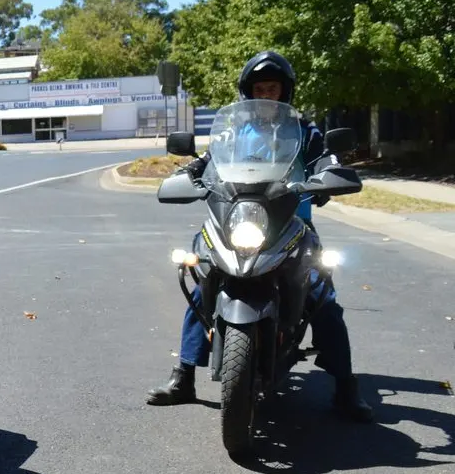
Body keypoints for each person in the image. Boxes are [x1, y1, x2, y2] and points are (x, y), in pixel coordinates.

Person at [146, 50, 373, 422]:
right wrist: (188, 173)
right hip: (236, 217)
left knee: (322, 295)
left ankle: (346, 386)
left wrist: (328, 177)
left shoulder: (304, 129)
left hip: (290, 220)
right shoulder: (233, 131)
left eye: (273, 88)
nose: (266, 94)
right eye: (260, 89)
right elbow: (208, 161)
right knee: (203, 279)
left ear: (285, 92)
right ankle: (184, 376)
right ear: (248, 92)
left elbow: (323, 160)